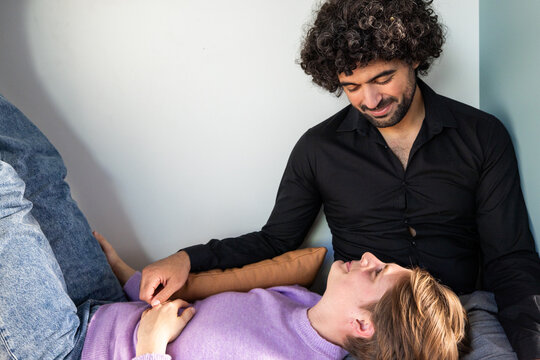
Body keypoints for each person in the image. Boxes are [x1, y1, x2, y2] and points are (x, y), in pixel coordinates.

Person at [138, 1, 540, 359]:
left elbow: (511, 261)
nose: (370, 100)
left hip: (463, 309)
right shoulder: (318, 149)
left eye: (382, 78)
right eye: (351, 86)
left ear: (415, 57)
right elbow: (276, 240)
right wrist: (186, 258)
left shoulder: (481, 135)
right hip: (368, 334)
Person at [0, 158, 468, 359]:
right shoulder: (296, 299)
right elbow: (189, 314)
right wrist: (125, 273)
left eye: (378, 272)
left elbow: (160, 338)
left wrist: (150, 351)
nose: (368, 256)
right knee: (38, 165)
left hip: (70, 349)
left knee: (5, 191)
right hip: (106, 305)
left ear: (363, 325)